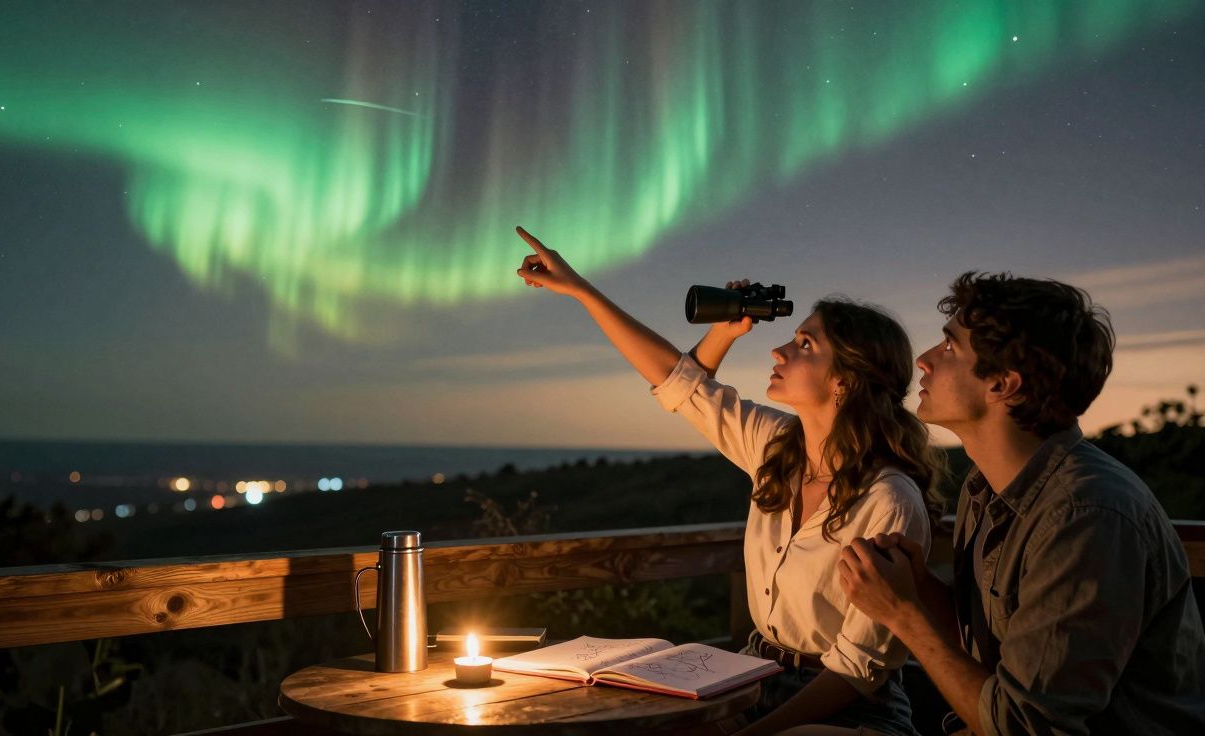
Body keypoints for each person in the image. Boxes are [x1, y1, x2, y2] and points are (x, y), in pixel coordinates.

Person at [515, 226, 943, 735]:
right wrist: (582, 290)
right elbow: (678, 383)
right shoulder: (776, 446)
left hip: (847, 708)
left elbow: (856, 670)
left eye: (804, 344)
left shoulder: (888, 500)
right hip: (754, 677)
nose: (778, 351)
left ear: (843, 382)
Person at [838, 272, 1205, 735]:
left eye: (949, 346)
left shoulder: (1086, 516)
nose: (925, 360)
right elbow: (991, 654)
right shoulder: (985, 487)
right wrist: (920, 587)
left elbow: (1024, 726)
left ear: (1003, 384)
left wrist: (903, 615)